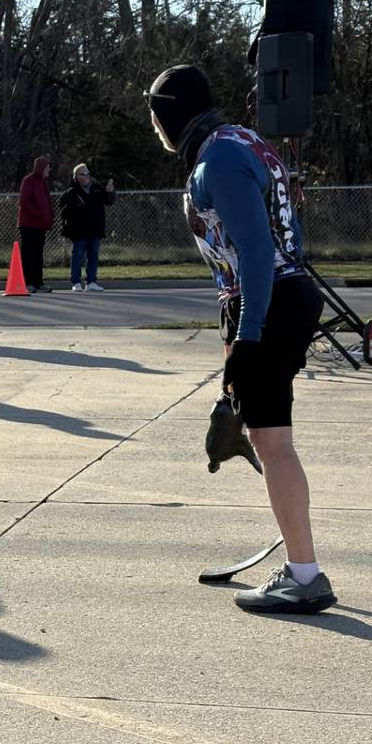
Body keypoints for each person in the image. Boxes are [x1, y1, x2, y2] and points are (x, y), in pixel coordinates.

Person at [145, 63, 331, 614]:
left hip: (268, 301)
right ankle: (301, 563)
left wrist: (248, 337)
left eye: (154, 114)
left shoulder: (218, 158)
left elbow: (254, 249)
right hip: (273, 299)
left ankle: (304, 575)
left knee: (276, 445)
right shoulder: (244, 141)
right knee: (271, 437)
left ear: (168, 113)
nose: (153, 125)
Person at [57, 163, 115, 292]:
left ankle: (91, 281)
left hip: (95, 229)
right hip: (79, 230)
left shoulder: (97, 188)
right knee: (77, 255)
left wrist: (110, 192)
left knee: (93, 256)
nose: (87, 176)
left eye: (88, 173)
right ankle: (76, 282)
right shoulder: (71, 193)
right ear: (76, 177)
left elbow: (108, 201)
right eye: (83, 174)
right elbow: (63, 209)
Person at [17, 155, 55, 292]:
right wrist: (39, 213)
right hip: (28, 224)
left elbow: (46, 203)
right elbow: (24, 202)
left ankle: (38, 282)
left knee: (38, 255)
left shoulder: (43, 183)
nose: (49, 170)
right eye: (47, 167)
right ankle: (27, 282)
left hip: (40, 225)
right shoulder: (28, 181)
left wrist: (48, 217)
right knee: (28, 254)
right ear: (41, 167)